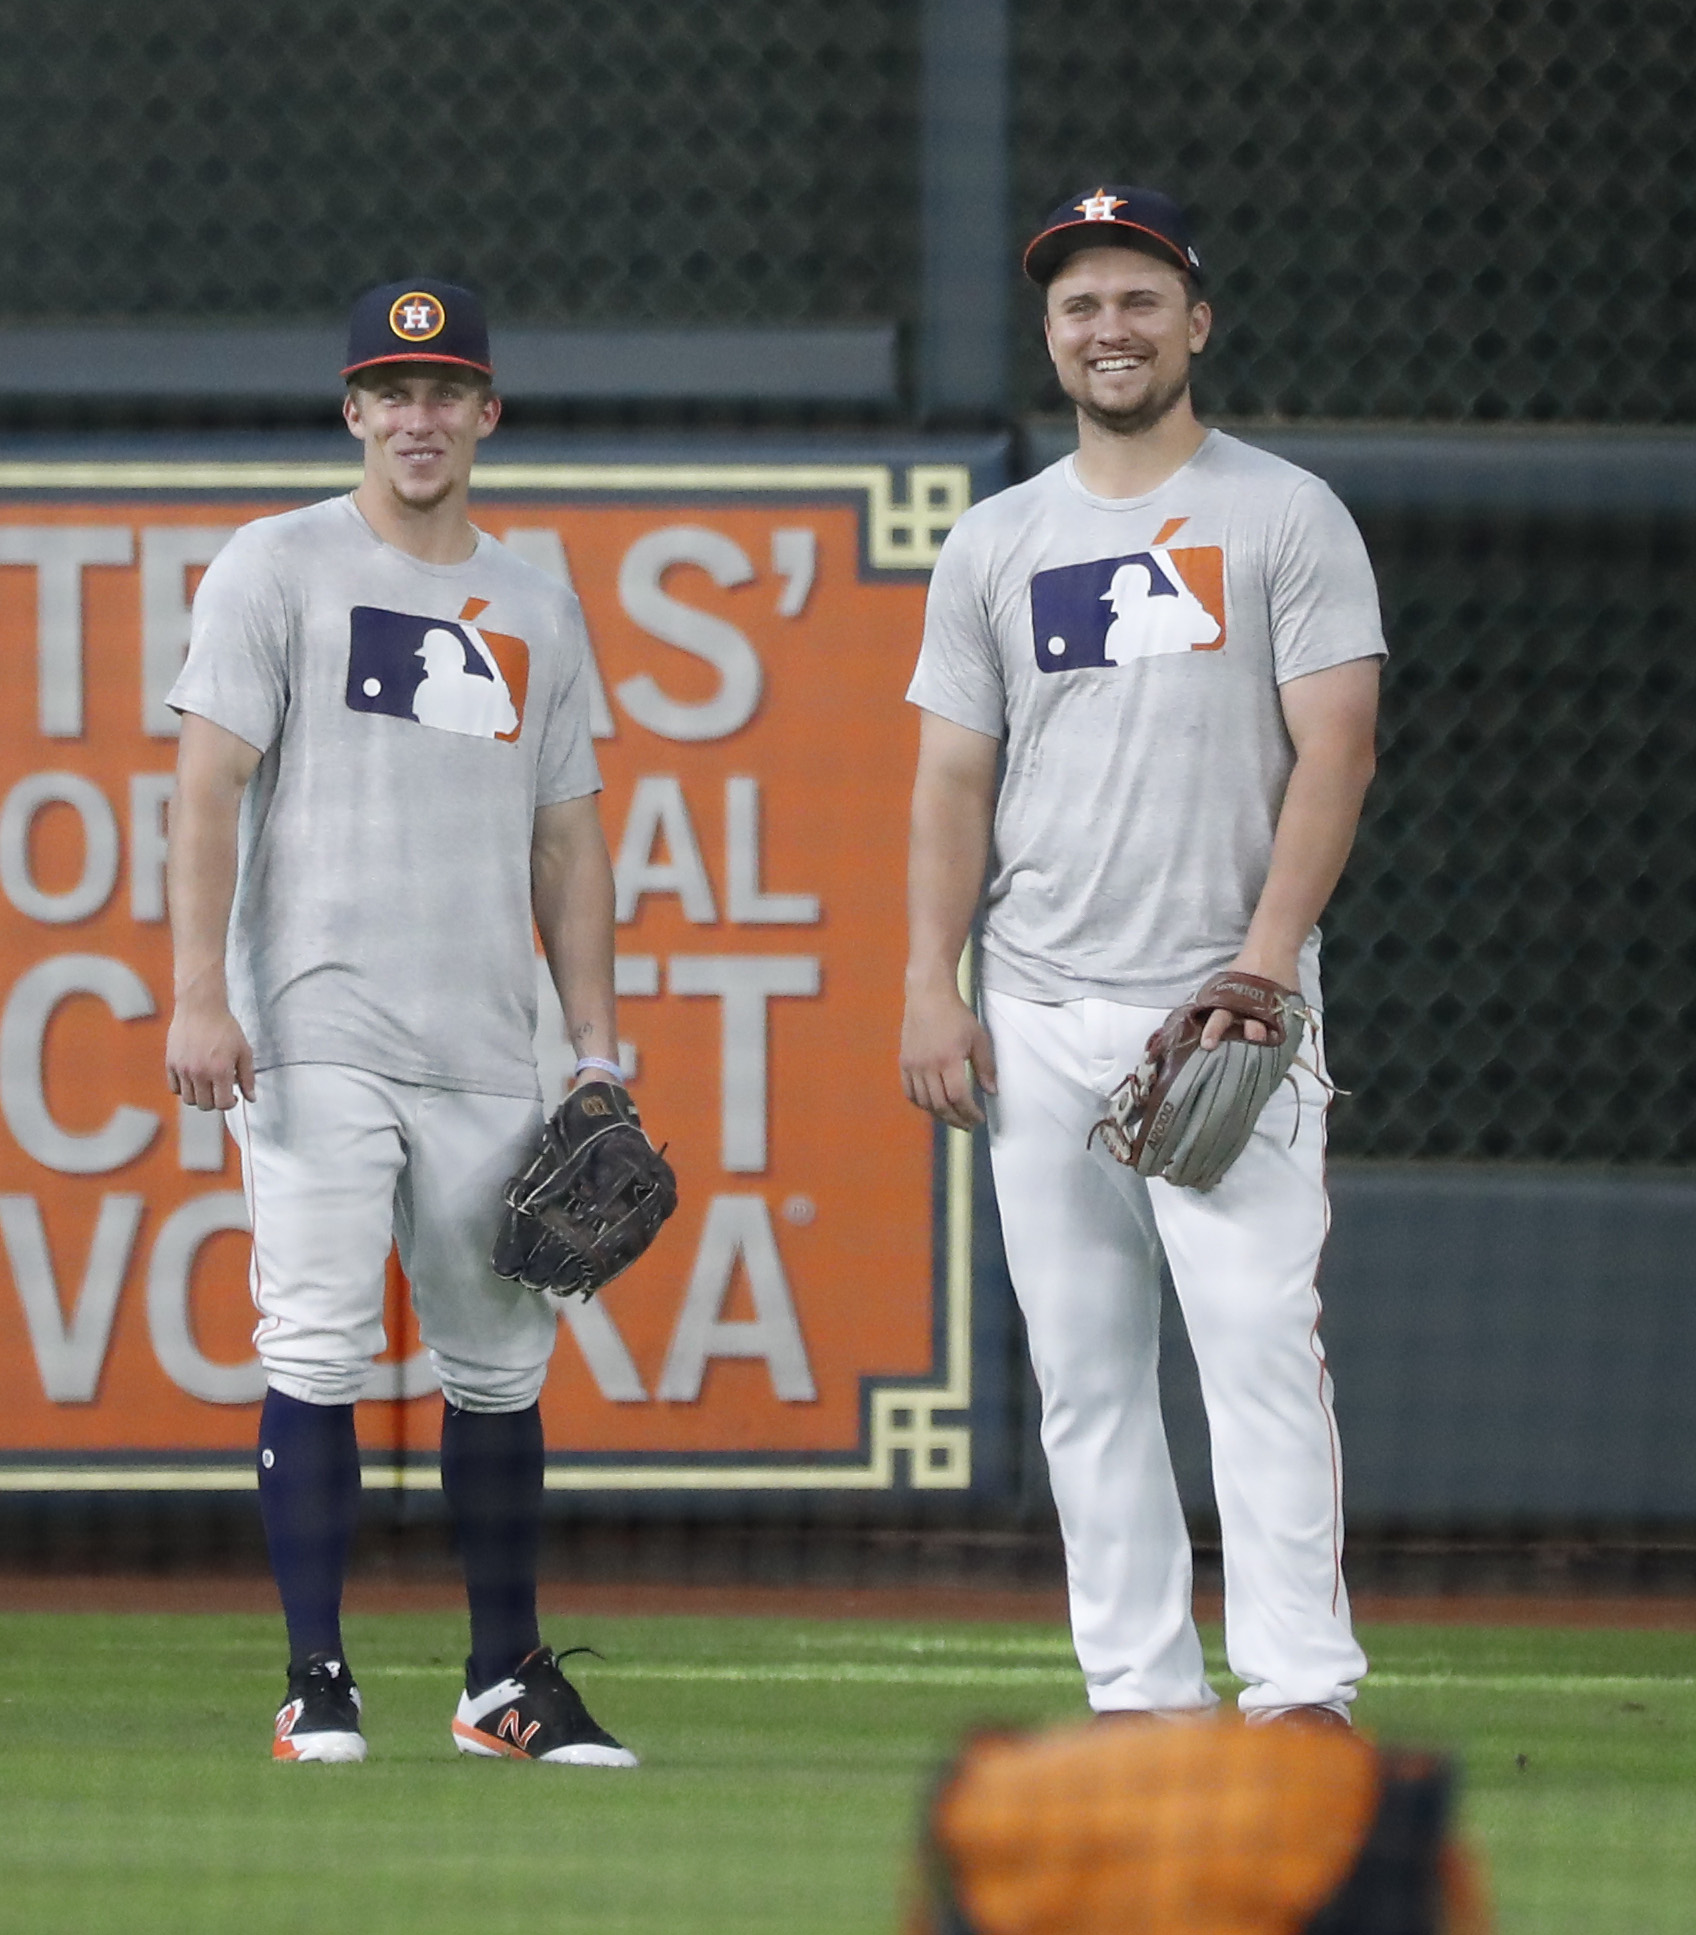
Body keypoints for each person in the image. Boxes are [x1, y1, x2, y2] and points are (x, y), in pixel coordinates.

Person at [900, 189, 1382, 1722]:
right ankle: (1140, 1699)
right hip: (1038, 1009)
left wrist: (1262, 967)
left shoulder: (1285, 513)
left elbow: (1341, 752)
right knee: (1088, 1376)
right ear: (1051, 336)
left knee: (1254, 1344)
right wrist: (932, 977)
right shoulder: (997, 539)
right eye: (1080, 305)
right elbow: (952, 779)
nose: (1110, 327)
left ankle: (1299, 1689)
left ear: (1197, 323)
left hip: (1225, 1007)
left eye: (1138, 299)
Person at [165, 278, 638, 1767]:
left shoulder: (540, 599)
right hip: (314, 1021)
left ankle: (503, 1683)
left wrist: (597, 1047)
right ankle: (318, 1680)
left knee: (497, 1370)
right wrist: (197, 989)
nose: (416, 416)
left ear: (487, 412)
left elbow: (570, 841)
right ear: (353, 412)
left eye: (444, 392)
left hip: (491, 1041)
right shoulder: (276, 564)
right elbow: (207, 788)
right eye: (390, 390)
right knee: (314, 1338)